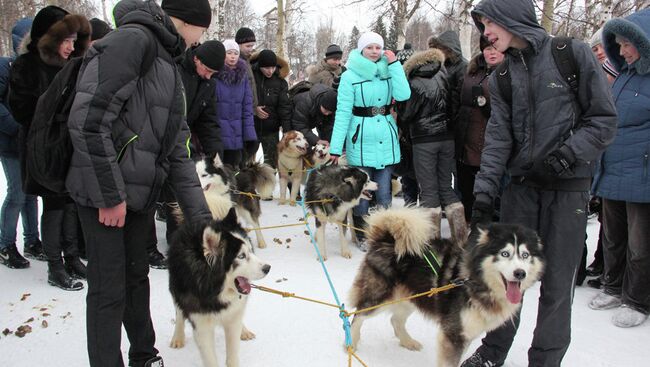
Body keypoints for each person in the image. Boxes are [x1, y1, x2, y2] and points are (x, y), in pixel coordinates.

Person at [461, 0, 618, 366]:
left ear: (511, 17)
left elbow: (603, 118)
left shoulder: (571, 54)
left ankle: (545, 361)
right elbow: (498, 138)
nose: (486, 33)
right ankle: (493, 351)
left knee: (557, 285)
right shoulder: (500, 77)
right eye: (482, 25)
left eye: (490, 23)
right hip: (521, 190)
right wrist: (483, 196)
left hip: (567, 190)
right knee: (507, 278)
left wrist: (566, 155)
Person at [66, 0, 214, 365]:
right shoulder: (131, 42)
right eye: (203, 30)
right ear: (187, 21)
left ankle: (144, 355)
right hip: (105, 193)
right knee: (108, 289)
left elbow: (178, 150)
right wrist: (109, 195)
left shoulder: (168, 62)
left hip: (139, 194)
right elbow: (88, 120)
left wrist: (204, 224)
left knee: (136, 277)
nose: (201, 39)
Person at [9, 6, 90, 290]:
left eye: (73, 40)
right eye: (65, 40)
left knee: (69, 202)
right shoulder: (27, 65)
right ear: (48, 38)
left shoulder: (74, 63)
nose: (70, 46)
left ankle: (72, 258)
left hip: (68, 144)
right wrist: (51, 115)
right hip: (42, 146)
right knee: (54, 204)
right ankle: (55, 266)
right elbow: (20, 109)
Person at [589, 8, 650, 329]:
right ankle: (612, 286)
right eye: (620, 44)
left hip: (642, 174)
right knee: (612, 236)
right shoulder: (624, 75)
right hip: (612, 168)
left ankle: (636, 300)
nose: (622, 50)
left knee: (641, 245)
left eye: (628, 44)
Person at [329, 31, 410, 250]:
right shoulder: (349, 76)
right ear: (361, 50)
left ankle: (383, 233)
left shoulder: (388, 71)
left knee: (384, 192)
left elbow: (403, 95)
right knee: (362, 194)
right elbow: (343, 112)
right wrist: (336, 148)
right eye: (369, 47)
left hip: (385, 137)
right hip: (360, 140)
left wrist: (394, 66)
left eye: (378, 47)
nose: (374, 51)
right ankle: (362, 235)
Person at [396, 46, 466, 232]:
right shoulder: (443, 74)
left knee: (428, 190)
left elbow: (406, 114)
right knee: (446, 187)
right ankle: (460, 237)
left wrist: (400, 111)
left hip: (423, 139)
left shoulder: (412, 81)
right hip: (447, 137)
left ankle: (430, 243)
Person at [0, 17, 42, 269]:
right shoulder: (6, 67)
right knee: (16, 192)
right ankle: (5, 244)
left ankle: (32, 240)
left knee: (31, 192)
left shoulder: (35, 70)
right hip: (10, 142)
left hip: (28, 143)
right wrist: (18, 129)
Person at [455, 37, 504, 221]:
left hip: (492, 145)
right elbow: (457, 101)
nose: (491, 52)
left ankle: (493, 235)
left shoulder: (510, 72)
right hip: (466, 143)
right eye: (487, 48)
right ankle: (472, 230)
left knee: (492, 196)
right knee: (467, 193)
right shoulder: (472, 71)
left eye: (495, 48)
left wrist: (485, 104)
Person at [216, 39, 256, 168]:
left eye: (235, 53)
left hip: (237, 131)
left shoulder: (242, 76)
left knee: (235, 169)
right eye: (229, 53)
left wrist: (249, 134)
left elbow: (247, 106)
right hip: (219, 131)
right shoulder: (215, 75)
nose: (233, 56)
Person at [250, 49, 292, 168]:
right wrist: (254, 109)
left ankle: (269, 186)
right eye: (266, 68)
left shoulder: (280, 82)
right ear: (259, 66)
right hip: (252, 127)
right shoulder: (250, 77)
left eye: (273, 67)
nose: (270, 71)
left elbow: (284, 108)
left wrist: (286, 131)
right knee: (247, 164)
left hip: (271, 130)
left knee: (272, 164)